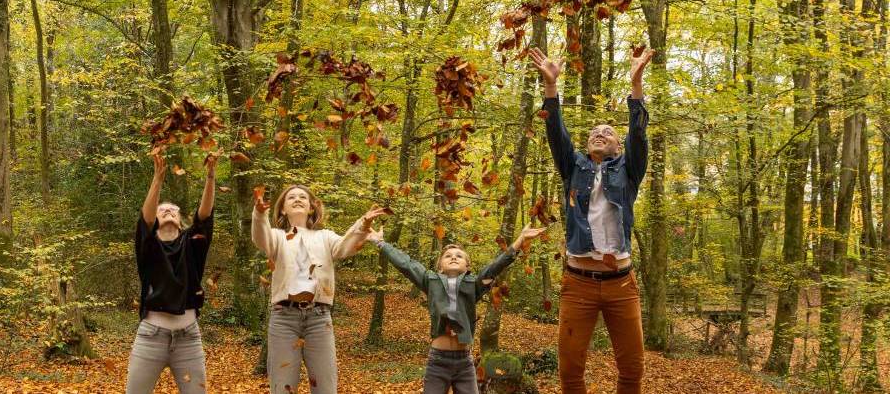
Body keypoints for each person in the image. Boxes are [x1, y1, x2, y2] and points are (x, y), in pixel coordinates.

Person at [528, 45, 654, 394]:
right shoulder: (575, 169)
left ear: (618, 147)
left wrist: (636, 82)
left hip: (621, 284)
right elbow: (556, 134)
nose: (600, 133)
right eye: (594, 132)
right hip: (578, 284)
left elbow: (639, 135)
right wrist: (551, 88)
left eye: (608, 132)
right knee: (570, 372)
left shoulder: (629, 171)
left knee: (631, 371)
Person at [366, 225, 547, 394]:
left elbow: (496, 266)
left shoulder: (473, 284)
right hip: (438, 362)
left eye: (459, 256)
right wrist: (380, 242)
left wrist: (520, 240)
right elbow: (406, 264)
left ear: (467, 266)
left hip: (464, 363)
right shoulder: (431, 281)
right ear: (440, 267)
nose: (454, 257)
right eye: (448, 255)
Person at [251, 185, 388, 393]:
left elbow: (345, 246)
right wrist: (260, 214)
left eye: (303, 197)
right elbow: (261, 239)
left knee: (326, 386)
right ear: (282, 210)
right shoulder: (277, 236)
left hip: (319, 319)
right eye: (291, 198)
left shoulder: (324, 236)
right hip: (283, 319)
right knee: (282, 386)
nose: (297, 199)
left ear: (312, 208)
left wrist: (364, 222)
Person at [127, 153, 217, 394]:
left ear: (181, 220)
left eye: (173, 210)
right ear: (155, 219)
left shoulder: (193, 243)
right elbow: (144, 221)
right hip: (150, 337)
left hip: (188, 338)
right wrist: (157, 178)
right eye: (162, 210)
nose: (168, 211)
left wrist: (210, 176)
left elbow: (204, 215)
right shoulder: (148, 246)